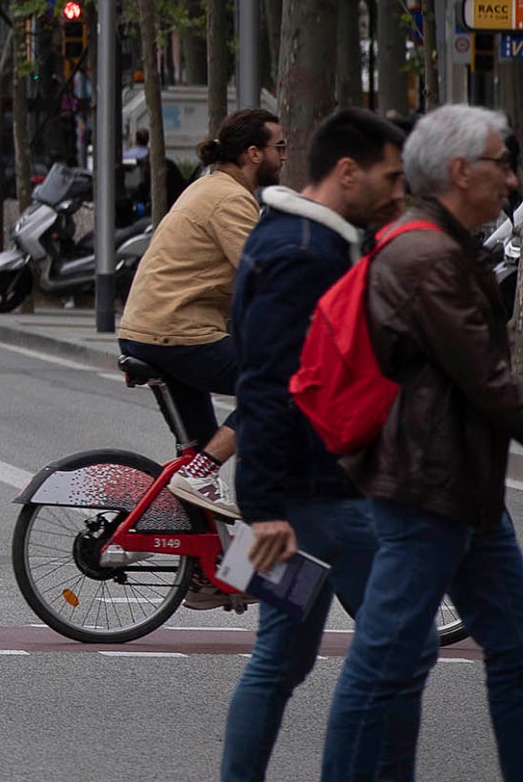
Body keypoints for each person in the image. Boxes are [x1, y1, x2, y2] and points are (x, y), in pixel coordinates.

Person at [321, 103, 523, 780]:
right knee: (384, 662)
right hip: (427, 489)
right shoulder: (427, 255)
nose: (511, 176)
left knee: (513, 646)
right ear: (462, 171)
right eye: (500, 161)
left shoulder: (439, 243)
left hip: (462, 488)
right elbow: (490, 380)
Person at [218, 107, 405, 782]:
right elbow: (269, 385)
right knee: (397, 650)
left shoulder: (294, 239)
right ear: (347, 171)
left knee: (282, 657)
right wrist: (264, 506)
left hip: (299, 498)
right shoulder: (305, 254)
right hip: (319, 498)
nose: (397, 193)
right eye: (391, 177)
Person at [117, 107, 286, 518]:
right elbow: (262, 274)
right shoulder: (229, 198)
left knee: (200, 451)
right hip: (177, 333)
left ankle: (198, 576)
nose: (284, 156)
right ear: (253, 153)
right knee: (278, 385)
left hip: (154, 329)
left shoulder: (209, 187)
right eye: (279, 148)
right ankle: (203, 471)